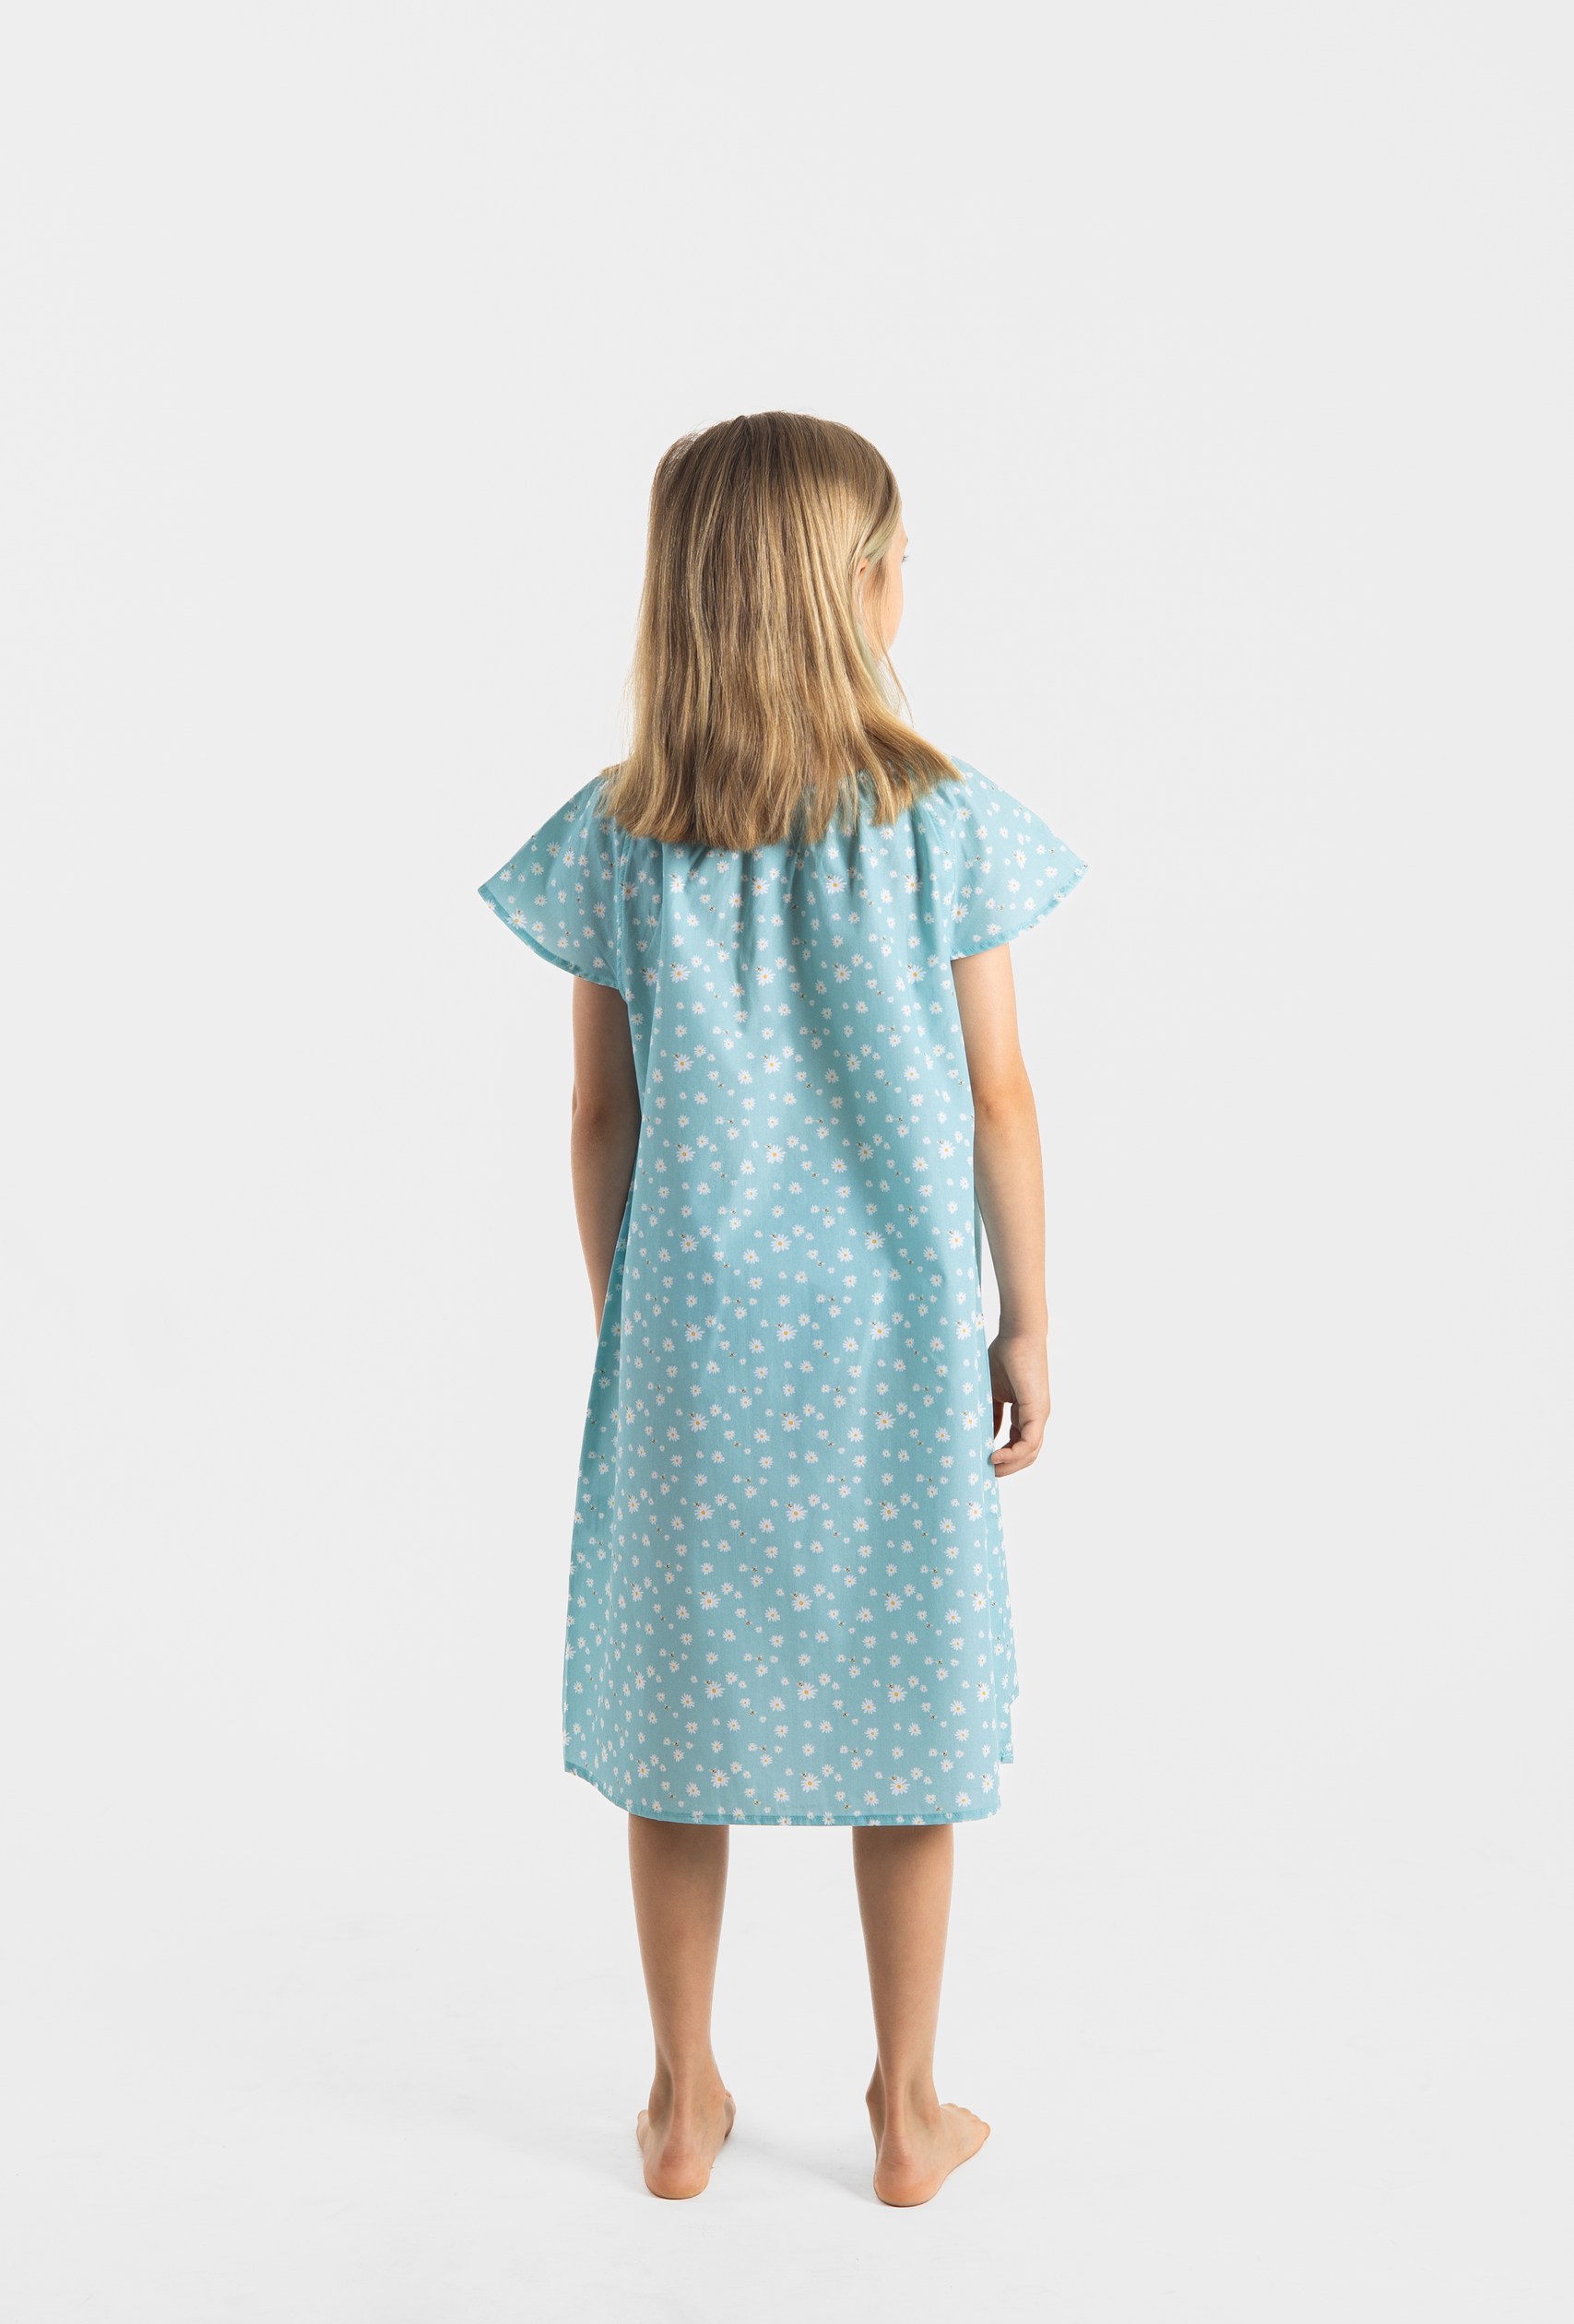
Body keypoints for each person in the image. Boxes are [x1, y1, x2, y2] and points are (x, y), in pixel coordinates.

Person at [477, 411, 1088, 2206]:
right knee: (914, 1719)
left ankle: (681, 2105)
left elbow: (598, 1116)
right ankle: (906, 2111)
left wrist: (632, 1316)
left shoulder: (623, 829)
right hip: (896, 1337)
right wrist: (1025, 1319)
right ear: (869, 587)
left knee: (680, 1722)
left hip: (690, 1335)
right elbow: (999, 1099)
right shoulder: (941, 818)